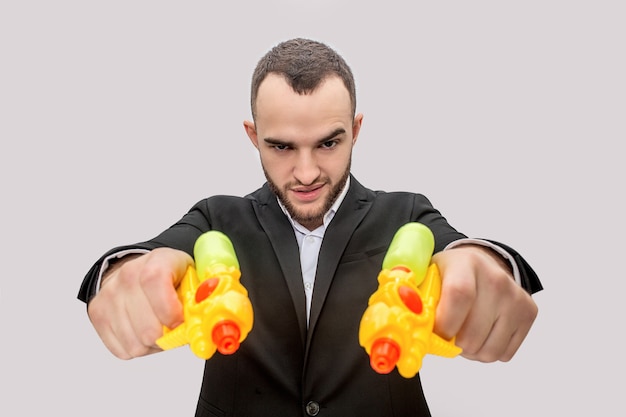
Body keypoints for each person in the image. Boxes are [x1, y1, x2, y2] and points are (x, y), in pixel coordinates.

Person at [78, 38, 543, 417]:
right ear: (252, 135)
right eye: (281, 147)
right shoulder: (216, 219)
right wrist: (122, 277)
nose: (305, 173)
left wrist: (486, 265)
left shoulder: (405, 213)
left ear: (355, 130)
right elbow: (149, 256)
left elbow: (463, 251)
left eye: (327, 143)